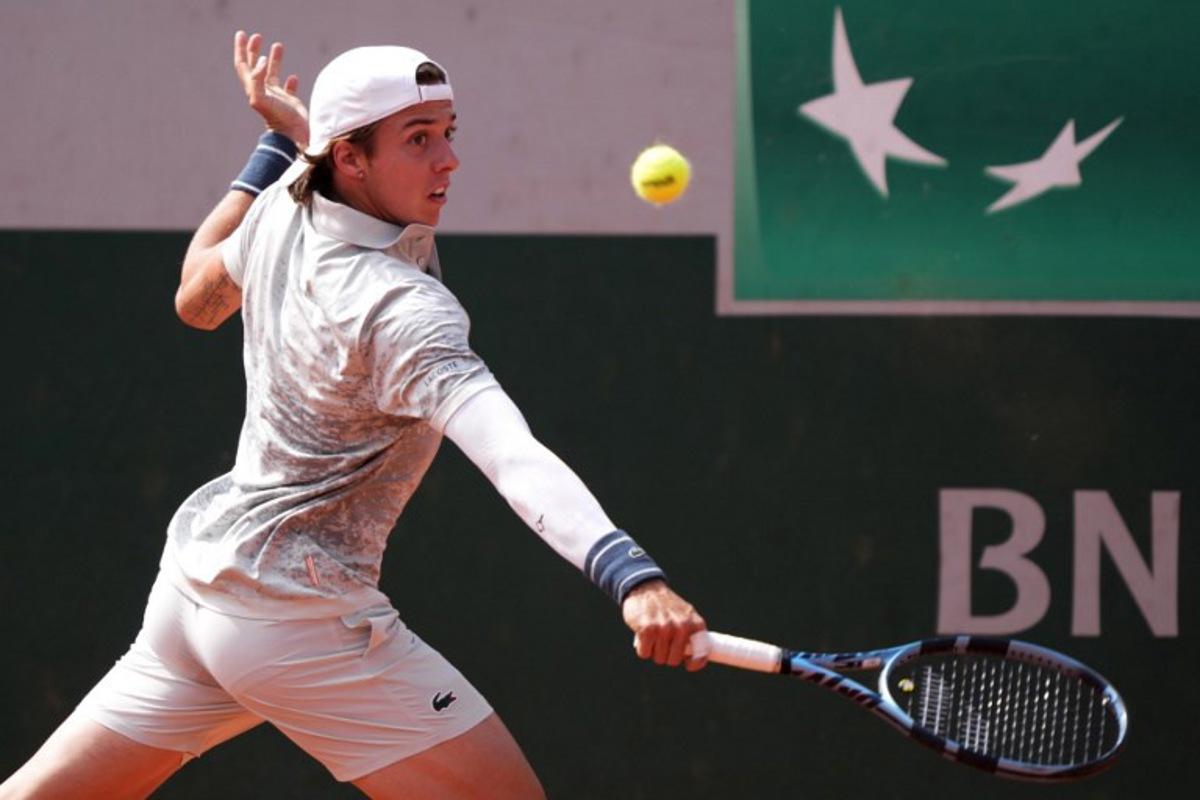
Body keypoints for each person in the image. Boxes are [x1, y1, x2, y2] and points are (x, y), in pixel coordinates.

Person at [0, 31, 706, 800]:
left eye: (447, 134)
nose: (449, 161)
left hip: (196, 597)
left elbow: (196, 297)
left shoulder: (279, 210)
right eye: (418, 140)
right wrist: (632, 576)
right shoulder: (401, 310)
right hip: (299, 622)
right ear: (351, 159)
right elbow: (512, 455)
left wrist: (279, 141)